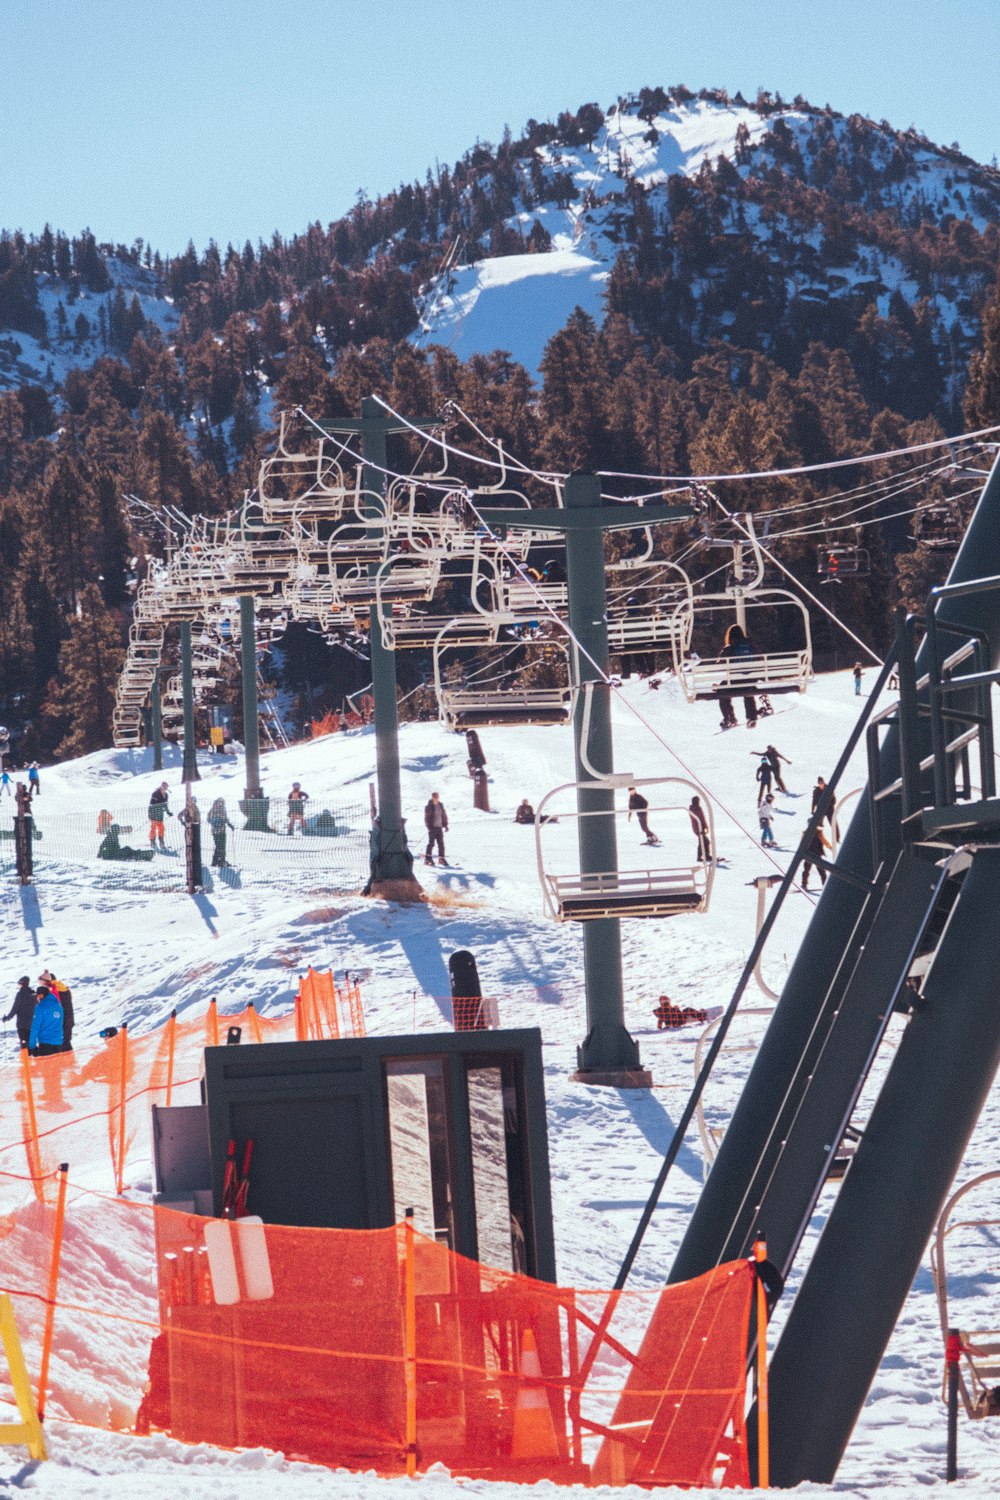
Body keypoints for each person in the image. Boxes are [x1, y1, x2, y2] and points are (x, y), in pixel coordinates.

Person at [717, 624, 757, 729]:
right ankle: (752, 717)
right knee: (749, 690)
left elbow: (720, 664)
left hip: (734, 683)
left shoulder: (729, 648)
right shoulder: (752, 646)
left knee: (721, 690)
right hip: (749, 682)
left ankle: (729, 718)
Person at [28, 985, 65, 1056]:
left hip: (45, 1045)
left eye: (38, 996)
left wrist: (32, 1046)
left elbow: (35, 1027)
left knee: (45, 1067)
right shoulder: (59, 1007)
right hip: (58, 1044)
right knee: (56, 1066)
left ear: (41, 995)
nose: (37, 998)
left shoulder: (40, 1008)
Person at [41, 970, 74, 1048]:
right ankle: (70, 1059)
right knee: (67, 1042)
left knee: (60, 1044)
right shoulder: (65, 989)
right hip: (69, 1019)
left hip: (59, 1020)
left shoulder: (52, 991)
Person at [4, 976, 35, 1047]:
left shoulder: (20, 995)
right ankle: (32, 1057)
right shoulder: (33, 994)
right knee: (31, 1043)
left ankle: (25, 1057)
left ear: (22, 984)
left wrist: (7, 1018)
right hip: (32, 1024)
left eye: (19, 984)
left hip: (22, 1024)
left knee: (24, 1044)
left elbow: (15, 1009)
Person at [802, 823, 831, 890]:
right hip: (816, 854)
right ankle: (825, 884)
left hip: (809, 854)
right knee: (821, 871)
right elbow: (824, 841)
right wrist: (829, 847)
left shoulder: (806, 832)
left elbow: (802, 843)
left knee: (807, 870)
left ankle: (804, 884)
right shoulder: (818, 832)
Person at [424, 791, 449, 866]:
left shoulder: (440, 805)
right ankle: (428, 859)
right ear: (432, 797)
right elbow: (426, 818)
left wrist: (445, 825)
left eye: (437, 797)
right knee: (431, 844)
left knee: (441, 844)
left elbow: (443, 815)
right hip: (432, 828)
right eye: (435, 797)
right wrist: (429, 827)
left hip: (439, 827)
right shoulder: (429, 806)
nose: (436, 798)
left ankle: (441, 859)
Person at [208, 798, 234, 868]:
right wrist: (216, 822)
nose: (221, 804)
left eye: (222, 802)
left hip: (222, 830)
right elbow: (209, 819)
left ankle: (221, 860)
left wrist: (229, 824)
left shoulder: (223, 809)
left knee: (222, 846)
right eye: (220, 802)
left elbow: (225, 818)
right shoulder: (214, 809)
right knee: (219, 846)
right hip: (216, 831)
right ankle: (217, 861)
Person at [148, 782, 172, 850]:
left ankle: (161, 842)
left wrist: (168, 812)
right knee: (153, 828)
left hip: (160, 815)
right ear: (161, 786)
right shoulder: (155, 794)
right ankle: (152, 842)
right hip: (153, 813)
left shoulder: (166, 795)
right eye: (163, 786)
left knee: (161, 828)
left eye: (166, 787)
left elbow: (165, 804)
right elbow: (152, 805)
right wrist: (150, 814)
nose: (164, 788)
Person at [689, 795, 712, 863]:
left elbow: (701, 818)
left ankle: (703, 856)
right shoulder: (695, 809)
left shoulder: (694, 808)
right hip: (698, 828)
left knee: (703, 841)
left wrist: (705, 826)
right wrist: (703, 828)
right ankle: (704, 856)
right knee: (705, 842)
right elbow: (699, 819)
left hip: (698, 828)